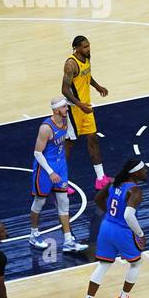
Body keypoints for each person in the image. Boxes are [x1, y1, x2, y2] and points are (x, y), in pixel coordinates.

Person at [81, 158, 147, 298]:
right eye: (144, 169)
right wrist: (140, 234)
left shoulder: (113, 183)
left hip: (106, 227)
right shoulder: (135, 190)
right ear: (135, 173)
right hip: (122, 231)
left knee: (103, 265)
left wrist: (111, 215)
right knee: (136, 263)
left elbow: (97, 199)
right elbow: (128, 215)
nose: (146, 172)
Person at [28, 98, 85, 253]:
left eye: (66, 106)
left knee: (63, 201)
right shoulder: (46, 128)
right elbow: (37, 153)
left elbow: (71, 104)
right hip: (45, 168)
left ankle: (68, 241)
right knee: (40, 201)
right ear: (55, 110)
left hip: (60, 166)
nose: (67, 109)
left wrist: (80, 104)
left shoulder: (65, 121)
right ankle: (33, 234)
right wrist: (50, 172)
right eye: (64, 107)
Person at [61, 36, 110, 189]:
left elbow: (86, 75)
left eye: (88, 46)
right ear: (76, 48)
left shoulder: (87, 58)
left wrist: (97, 86)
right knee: (68, 146)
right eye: (84, 47)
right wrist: (79, 104)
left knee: (93, 139)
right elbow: (64, 89)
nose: (88, 49)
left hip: (85, 108)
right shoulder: (71, 64)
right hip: (74, 110)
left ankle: (101, 178)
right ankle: (60, 182)